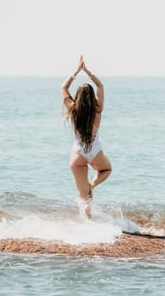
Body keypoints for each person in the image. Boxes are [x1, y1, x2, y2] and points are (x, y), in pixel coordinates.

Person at [61, 55, 112, 217]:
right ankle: (93, 184)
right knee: (106, 169)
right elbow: (100, 85)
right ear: (92, 97)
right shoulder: (98, 109)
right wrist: (87, 71)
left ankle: (87, 221)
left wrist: (76, 71)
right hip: (95, 150)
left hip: (78, 153)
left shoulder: (73, 109)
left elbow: (63, 88)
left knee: (82, 195)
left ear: (78, 96)